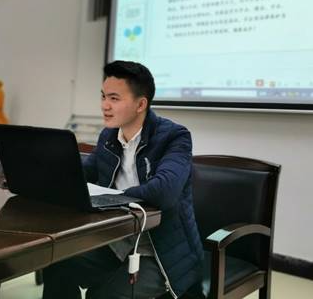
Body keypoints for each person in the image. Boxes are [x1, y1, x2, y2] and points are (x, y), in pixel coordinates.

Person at [42, 60, 203, 299]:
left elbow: (165, 192)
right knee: (56, 264)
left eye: (114, 98)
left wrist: (113, 198)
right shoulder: (109, 136)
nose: (104, 105)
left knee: (102, 296)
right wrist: (46, 176)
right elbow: (85, 173)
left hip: (160, 252)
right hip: (115, 240)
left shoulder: (174, 137)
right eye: (103, 96)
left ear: (140, 104)